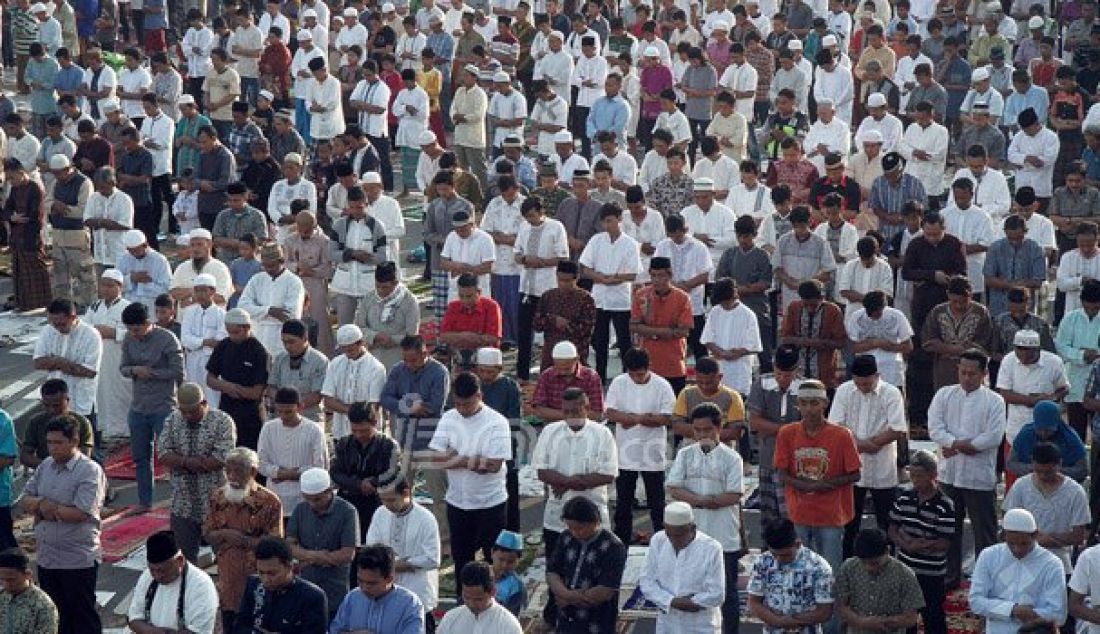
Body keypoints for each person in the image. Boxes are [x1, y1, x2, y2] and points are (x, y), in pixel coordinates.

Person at [15, 416, 107, 634]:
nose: (52, 448)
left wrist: (47, 509)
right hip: (47, 557)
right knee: (55, 617)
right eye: (49, 443)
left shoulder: (89, 471)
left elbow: (81, 513)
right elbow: (25, 500)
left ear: (74, 441)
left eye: (58, 443)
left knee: (82, 617)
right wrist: (43, 505)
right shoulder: (45, 466)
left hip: (77, 558)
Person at [927, 348, 1005, 589]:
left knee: (985, 532)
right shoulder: (945, 394)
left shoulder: (994, 400)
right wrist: (959, 444)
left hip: (978, 476)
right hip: (950, 474)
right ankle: (951, 577)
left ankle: (987, 581)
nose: (967, 378)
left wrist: (956, 445)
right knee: (950, 529)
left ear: (983, 374)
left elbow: (993, 437)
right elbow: (935, 428)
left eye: (972, 373)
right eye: (963, 372)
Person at [428, 372, 512, 594]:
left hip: (490, 503)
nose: (462, 409)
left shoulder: (496, 422)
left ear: (479, 396)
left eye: (466, 404)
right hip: (458, 502)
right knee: (461, 559)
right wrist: (473, 461)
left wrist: (456, 458)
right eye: (457, 403)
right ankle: (462, 601)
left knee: (493, 561)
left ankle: (496, 602)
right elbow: (436, 457)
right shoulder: (449, 418)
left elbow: (493, 465)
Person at [666, 402, 744, 632]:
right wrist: (704, 501)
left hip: (723, 535)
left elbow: (734, 494)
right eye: (697, 430)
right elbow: (674, 487)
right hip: (692, 536)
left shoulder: (732, 458)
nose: (702, 435)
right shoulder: (685, 454)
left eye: (707, 430)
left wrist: (699, 501)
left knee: (726, 591)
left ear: (719, 428)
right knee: (691, 587)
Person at [774, 378, 862, 576]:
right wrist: (801, 485)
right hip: (799, 511)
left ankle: (832, 607)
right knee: (799, 569)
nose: (809, 409)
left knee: (830, 570)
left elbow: (855, 474)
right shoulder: (786, 433)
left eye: (814, 403)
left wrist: (825, 485)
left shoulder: (842, 435)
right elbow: (781, 471)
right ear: (797, 405)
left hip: (831, 514)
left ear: (825, 403)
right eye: (803, 403)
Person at [202, 447, 283, 630]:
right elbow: (207, 534)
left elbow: (276, 543)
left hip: (256, 576)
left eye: (237, 471)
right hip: (228, 578)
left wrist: (246, 542)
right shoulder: (218, 497)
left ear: (253, 472)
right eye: (227, 471)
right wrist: (224, 535)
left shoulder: (269, 501)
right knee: (229, 622)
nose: (231, 477)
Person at [532, 386, 618, 558]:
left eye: (576, 411)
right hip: (557, 516)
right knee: (556, 568)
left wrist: (564, 483)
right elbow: (541, 471)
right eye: (566, 412)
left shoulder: (602, 434)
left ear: (587, 409)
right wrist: (571, 482)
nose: (570, 416)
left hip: (593, 515)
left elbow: (608, 474)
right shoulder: (550, 432)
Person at [119, 301, 184, 516]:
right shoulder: (129, 339)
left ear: (148, 323)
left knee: (169, 457)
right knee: (140, 457)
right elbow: (123, 368)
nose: (133, 334)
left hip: (163, 405)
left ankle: (177, 502)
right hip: (138, 407)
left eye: (136, 329)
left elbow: (178, 372)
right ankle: (144, 501)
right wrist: (135, 370)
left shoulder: (167, 339)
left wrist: (153, 373)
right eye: (129, 329)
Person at [158, 383, 235, 563]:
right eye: (183, 411)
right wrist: (190, 462)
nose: (187, 416)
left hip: (215, 503)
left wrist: (180, 462)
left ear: (204, 403)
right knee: (182, 561)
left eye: (192, 411)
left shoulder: (222, 421)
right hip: (183, 503)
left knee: (226, 557)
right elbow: (162, 453)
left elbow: (221, 458)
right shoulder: (172, 420)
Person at [605, 347, 675, 545]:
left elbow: (667, 417)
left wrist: (631, 419)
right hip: (625, 452)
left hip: (652, 452)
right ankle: (621, 540)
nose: (636, 378)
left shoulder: (662, 385)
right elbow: (610, 412)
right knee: (623, 502)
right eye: (632, 374)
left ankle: (663, 540)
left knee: (657, 502)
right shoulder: (619, 383)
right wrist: (642, 418)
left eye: (640, 374)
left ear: (648, 368)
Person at [888, 449, 955, 634]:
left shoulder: (945, 505)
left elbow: (946, 542)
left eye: (920, 476)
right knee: (907, 615)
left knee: (933, 615)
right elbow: (892, 528)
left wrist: (922, 545)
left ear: (933, 474)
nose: (915, 480)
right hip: (906, 569)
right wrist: (905, 544)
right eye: (913, 475)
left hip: (931, 572)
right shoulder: (904, 497)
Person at [969, 508, 1067, 632]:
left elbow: (1058, 614)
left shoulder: (1052, 564)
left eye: (1024, 544)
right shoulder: (989, 556)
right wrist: (1012, 610)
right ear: (1003, 536)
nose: (1017, 549)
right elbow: (976, 601)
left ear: (1035, 535)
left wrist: (1031, 614)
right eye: (1011, 544)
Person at [365, 476, 441, 629]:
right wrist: (394, 564)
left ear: (406, 493)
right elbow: (371, 549)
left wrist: (400, 564)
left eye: (392, 500)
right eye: (383, 500)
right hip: (385, 593)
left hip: (418, 592)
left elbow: (433, 559)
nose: (387, 505)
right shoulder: (380, 514)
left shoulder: (425, 519)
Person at [1004, 442, 1090, 575]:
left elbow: (1079, 536)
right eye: (1039, 471)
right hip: (1022, 558)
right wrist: (1036, 539)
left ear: (1059, 464)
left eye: (1049, 472)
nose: (1043, 476)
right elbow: (1008, 525)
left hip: (1059, 560)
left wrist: (1042, 539)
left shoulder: (1075, 492)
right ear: (1032, 464)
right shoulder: (1021, 486)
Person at [639, 501, 725, 632]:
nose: (673, 540)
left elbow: (716, 594)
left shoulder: (712, 548)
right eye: (669, 535)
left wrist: (693, 603)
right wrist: (672, 602)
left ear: (692, 528)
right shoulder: (658, 540)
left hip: (701, 626)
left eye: (679, 535)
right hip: (668, 624)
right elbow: (647, 582)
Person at [545, 496, 627, 633]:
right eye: (570, 527)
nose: (574, 532)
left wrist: (570, 598)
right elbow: (552, 571)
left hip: (597, 618)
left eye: (580, 528)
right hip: (566, 617)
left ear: (596, 522)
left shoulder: (613, 546)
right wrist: (565, 593)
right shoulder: (565, 537)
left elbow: (607, 589)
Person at [285, 467, 359, 619]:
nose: (312, 504)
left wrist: (308, 559)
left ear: (329, 491)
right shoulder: (300, 510)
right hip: (304, 585)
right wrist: (316, 555)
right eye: (308, 499)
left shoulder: (347, 512)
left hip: (334, 589)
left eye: (317, 499)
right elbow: (289, 546)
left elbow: (347, 554)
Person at [579, 203, 641, 380]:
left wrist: (611, 279)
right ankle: (600, 376)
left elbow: (632, 274)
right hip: (599, 298)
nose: (607, 225)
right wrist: (600, 278)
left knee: (624, 341)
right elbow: (585, 267)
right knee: (600, 340)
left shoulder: (630, 244)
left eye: (610, 221)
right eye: (604, 222)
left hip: (620, 300)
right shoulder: (597, 240)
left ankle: (626, 376)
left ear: (619, 219)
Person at [32, 299, 101, 446]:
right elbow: (38, 362)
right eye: (54, 323)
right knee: (55, 446)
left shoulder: (91, 335)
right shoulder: (48, 331)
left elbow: (90, 371)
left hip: (80, 402)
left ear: (74, 317)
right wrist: (65, 364)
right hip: (53, 403)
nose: (57, 328)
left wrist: (57, 362)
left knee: (86, 448)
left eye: (62, 324)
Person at [747, 518, 834, 633]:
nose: (778, 560)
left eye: (785, 555)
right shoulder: (762, 562)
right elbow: (754, 602)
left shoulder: (819, 567)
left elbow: (824, 612)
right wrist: (777, 621)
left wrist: (790, 620)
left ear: (797, 544)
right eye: (774, 554)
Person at [125, 531, 218, 634]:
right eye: (152, 570)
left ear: (180, 561)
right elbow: (133, 619)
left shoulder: (201, 585)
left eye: (162, 570)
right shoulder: (147, 576)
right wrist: (153, 632)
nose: (157, 576)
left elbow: (197, 631)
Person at [331, 402, 400, 540]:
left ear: (375, 423)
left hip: (378, 501)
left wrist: (373, 482)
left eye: (363, 430)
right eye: (354, 430)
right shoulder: (344, 444)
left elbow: (394, 473)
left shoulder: (388, 445)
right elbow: (335, 473)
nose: (358, 435)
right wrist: (358, 484)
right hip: (349, 498)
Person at [835, 528, 924, 633]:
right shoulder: (848, 568)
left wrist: (882, 623)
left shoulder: (905, 575)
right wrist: (861, 622)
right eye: (863, 562)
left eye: (875, 563)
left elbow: (911, 618)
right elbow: (840, 605)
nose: (868, 568)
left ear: (887, 550)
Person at [232, 537, 328, 634]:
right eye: (261, 572)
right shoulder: (253, 585)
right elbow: (240, 626)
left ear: (290, 567)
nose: (266, 579)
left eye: (272, 573)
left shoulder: (311, 597)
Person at [258, 387, 328, 518]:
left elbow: (320, 468)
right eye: (280, 412)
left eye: (289, 412)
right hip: (275, 500)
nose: (283, 416)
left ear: (300, 407)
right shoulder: (268, 428)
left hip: (305, 501)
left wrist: (286, 475)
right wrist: (282, 473)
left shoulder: (314, 431)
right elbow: (261, 464)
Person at [205, 308, 269, 450]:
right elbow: (210, 379)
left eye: (236, 332)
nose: (232, 336)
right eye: (229, 332)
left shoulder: (259, 352)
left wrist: (236, 389)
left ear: (247, 328)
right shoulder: (223, 346)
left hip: (250, 417)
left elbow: (257, 392)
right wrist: (225, 386)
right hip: (226, 411)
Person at [329, 544, 425, 633]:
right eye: (360, 581)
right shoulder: (352, 598)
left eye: (371, 583)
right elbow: (335, 631)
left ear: (390, 579)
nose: (364, 588)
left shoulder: (409, 604)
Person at [236, 242, 306, 357]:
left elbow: (291, 315)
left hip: (280, 339)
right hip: (257, 336)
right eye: (265, 265)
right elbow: (242, 307)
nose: (268, 269)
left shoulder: (294, 282)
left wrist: (257, 311)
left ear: (281, 261)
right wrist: (269, 311)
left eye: (272, 265)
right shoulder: (256, 279)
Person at [321, 324, 387, 440]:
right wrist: (352, 410)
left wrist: (346, 409)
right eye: (344, 349)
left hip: (367, 435)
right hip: (341, 433)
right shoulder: (335, 364)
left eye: (350, 349)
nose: (347, 352)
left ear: (361, 343)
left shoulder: (376, 368)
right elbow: (328, 400)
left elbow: (373, 406)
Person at [532, 261, 597, 374]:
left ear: (576, 279)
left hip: (576, 353)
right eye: (560, 280)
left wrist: (567, 325)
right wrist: (552, 320)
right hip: (550, 354)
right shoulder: (548, 296)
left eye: (567, 281)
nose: (563, 284)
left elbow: (586, 329)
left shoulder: (585, 299)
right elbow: (536, 324)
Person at [780, 280, 847, 389]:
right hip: (797, 371)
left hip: (825, 372)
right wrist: (807, 342)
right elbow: (785, 338)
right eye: (806, 305)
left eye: (813, 305)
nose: (810, 308)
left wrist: (821, 343)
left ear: (822, 298)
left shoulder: (833, 311)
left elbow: (840, 342)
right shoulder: (794, 307)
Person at [20, 380, 94, 469]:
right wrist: (48, 467)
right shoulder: (35, 422)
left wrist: (62, 467)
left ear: (67, 400)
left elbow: (85, 456)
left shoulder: (82, 423)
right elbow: (25, 456)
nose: (51, 410)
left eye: (57, 405)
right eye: (46, 405)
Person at [1009, 401, 1089, 483]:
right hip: (1031, 482)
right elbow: (1010, 463)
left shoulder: (1070, 437)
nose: (1043, 433)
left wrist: (1054, 471)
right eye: (1039, 429)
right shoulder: (1025, 434)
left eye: (1048, 430)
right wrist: (1034, 469)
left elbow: (1083, 469)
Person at [437, 561, 523, 633]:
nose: (471, 604)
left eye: (478, 599)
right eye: (467, 597)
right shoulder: (450, 619)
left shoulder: (508, 625)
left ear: (493, 592)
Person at [0, 547, 59, 634]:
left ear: (28, 574)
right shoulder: (2, 596)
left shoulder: (43, 606)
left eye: (11, 580)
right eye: (2, 579)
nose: (6, 584)